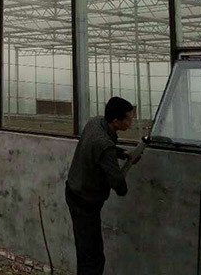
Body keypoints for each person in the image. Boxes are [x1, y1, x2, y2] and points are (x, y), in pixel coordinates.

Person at [65, 97, 139, 274]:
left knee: (85, 249)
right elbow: (118, 185)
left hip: (74, 191)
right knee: (93, 256)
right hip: (84, 202)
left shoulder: (95, 122)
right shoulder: (104, 145)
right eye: (128, 119)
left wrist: (122, 153)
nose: (131, 122)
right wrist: (122, 184)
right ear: (116, 121)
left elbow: (103, 149)